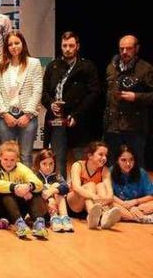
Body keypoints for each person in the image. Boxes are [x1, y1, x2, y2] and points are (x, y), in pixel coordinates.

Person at [42, 31, 101, 177]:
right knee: (57, 159)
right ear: (61, 47)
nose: (67, 48)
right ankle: (61, 190)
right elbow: (43, 92)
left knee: (82, 160)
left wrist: (77, 115)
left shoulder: (87, 66)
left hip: (78, 120)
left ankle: (84, 189)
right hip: (56, 121)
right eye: (64, 45)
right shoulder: (53, 66)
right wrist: (50, 104)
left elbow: (94, 93)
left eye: (71, 45)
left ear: (77, 46)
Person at [0, 30, 43, 166]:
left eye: (17, 43)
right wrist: (4, 113)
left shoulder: (34, 63)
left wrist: (27, 114)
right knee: (6, 155)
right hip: (5, 116)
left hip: (27, 115)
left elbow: (37, 90)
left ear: (23, 44)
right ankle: (7, 185)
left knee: (25, 154)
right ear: (6, 47)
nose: (14, 47)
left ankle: (27, 186)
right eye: (10, 44)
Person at [104, 35, 153, 169]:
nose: (124, 52)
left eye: (129, 48)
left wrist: (136, 97)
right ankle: (112, 190)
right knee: (111, 166)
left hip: (135, 127)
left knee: (136, 166)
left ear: (137, 49)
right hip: (113, 126)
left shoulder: (145, 68)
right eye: (122, 49)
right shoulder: (111, 67)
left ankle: (139, 190)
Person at [0, 140, 48, 239]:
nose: (9, 163)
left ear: (17, 159)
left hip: (17, 208)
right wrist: (16, 187)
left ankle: (39, 224)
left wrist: (28, 187)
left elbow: (39, 183)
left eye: (12, 160)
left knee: (33, 192)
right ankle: (19, 225)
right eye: (5, 159)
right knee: (6, 193)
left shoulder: (21, 168)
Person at [66, 141, 121, 230]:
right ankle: (96, 214)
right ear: (90, 155)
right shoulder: (78, 165)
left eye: (106, 155)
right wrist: (94, 196)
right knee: (91, 185)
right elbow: (76, 187)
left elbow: (110, 195)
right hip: (74, 204)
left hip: (95, 205)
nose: (104, 158)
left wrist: (103, 199)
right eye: (101, 154)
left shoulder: (105, 170)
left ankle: (102, 216)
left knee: (101, 186)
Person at [110, 144, 153, 223]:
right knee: (110, 204)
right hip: (120, 204)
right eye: (123, 160)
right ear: (117, 160)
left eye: (131, 160)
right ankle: (143, 218)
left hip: (139, 205)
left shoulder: (141, 172)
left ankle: (131, 216)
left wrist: (134, 202)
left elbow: (151, 195)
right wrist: (129, 207)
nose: (128, 164)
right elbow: (109, 194)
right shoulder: (110, 171)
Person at [33, 149, 72, 232]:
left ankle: (64, 218)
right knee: (50, 187)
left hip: (57, 208)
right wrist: (49, 199)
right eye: (44, 164)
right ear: (38, 163)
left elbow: (66, 187)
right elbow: (36, 191)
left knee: (57, 186)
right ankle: (54, 218)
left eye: (51, 164)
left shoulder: (57, 176)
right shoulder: (34, 176)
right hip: (42, 210)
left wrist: (52, 191)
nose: (48, 167)